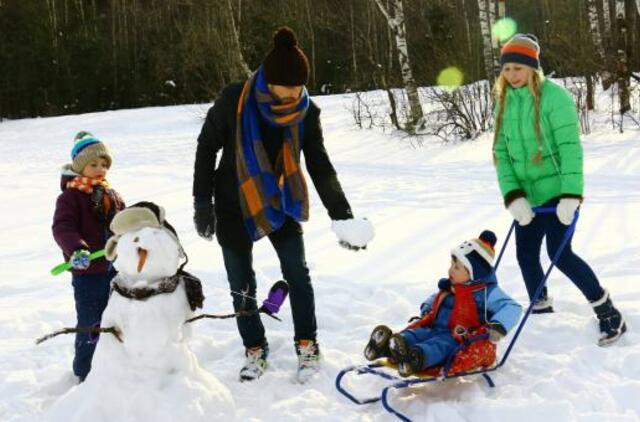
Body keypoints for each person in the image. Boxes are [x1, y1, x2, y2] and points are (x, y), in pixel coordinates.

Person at [192, 27, 374, 382]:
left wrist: (343, 216)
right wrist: (202, 201)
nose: (295, 93)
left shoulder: (306, 112)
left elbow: (319, 165)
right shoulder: (234, 100)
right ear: (269, 81)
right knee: (240, 282)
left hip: (280, 201)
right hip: (232, 202)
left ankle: (307, 342)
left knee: (297, 273)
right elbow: (205, 147)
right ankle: (254, 348)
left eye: (300, 86)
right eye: (287, 87)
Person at [492, 34, 627, 346]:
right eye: (507, 69)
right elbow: (501, 153)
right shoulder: (504, 101)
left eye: (518, 69)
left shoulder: (555, 98)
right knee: (525, 253)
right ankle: (540, 309)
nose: (512, 76)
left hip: (558, 192)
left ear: (533, 68)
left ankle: (608, 313)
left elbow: (570, 149)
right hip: (527, 196)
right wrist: (513, 196)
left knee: (558, 253)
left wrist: (570, 195)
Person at [364, 230, 522, 377]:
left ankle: (417, 358)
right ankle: (390, 346)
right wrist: (427, 307)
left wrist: (499, 325)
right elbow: (436, 297)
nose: (451, 270)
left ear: (474, 273)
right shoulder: (452, 286)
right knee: (418, 334)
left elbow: (512, 307)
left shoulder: (487, 292)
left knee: (439, 346)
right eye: (452, 264)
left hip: (457, 337)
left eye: (457, 267)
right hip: (435, 327)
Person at [52, 131, 125, 381]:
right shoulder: (70, 197)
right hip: (88, 273)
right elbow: (62, 228)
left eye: (104, 164)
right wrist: (77, 248)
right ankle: (85, 371)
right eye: (93, 164)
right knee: (91, 323)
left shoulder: (112, 195)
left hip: (116, 269)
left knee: (118, 318)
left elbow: (123, 223)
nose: (100, 169)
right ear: (80, 166)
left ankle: (117, 364)